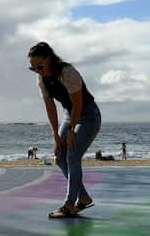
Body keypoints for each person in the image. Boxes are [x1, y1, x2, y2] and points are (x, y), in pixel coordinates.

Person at [28, 42, 100, 219]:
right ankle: (83, 197)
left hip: (88, 115)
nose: (38, 71)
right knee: (60, 156)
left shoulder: (68, 73)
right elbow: (50, 107)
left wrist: (71, 131)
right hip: (69, 115)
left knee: (72, 156)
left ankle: (70, 205)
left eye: (40, 66)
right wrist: (55, 135)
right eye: (33, 68)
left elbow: (78, 104)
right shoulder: (41, 78)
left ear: (49, 59)